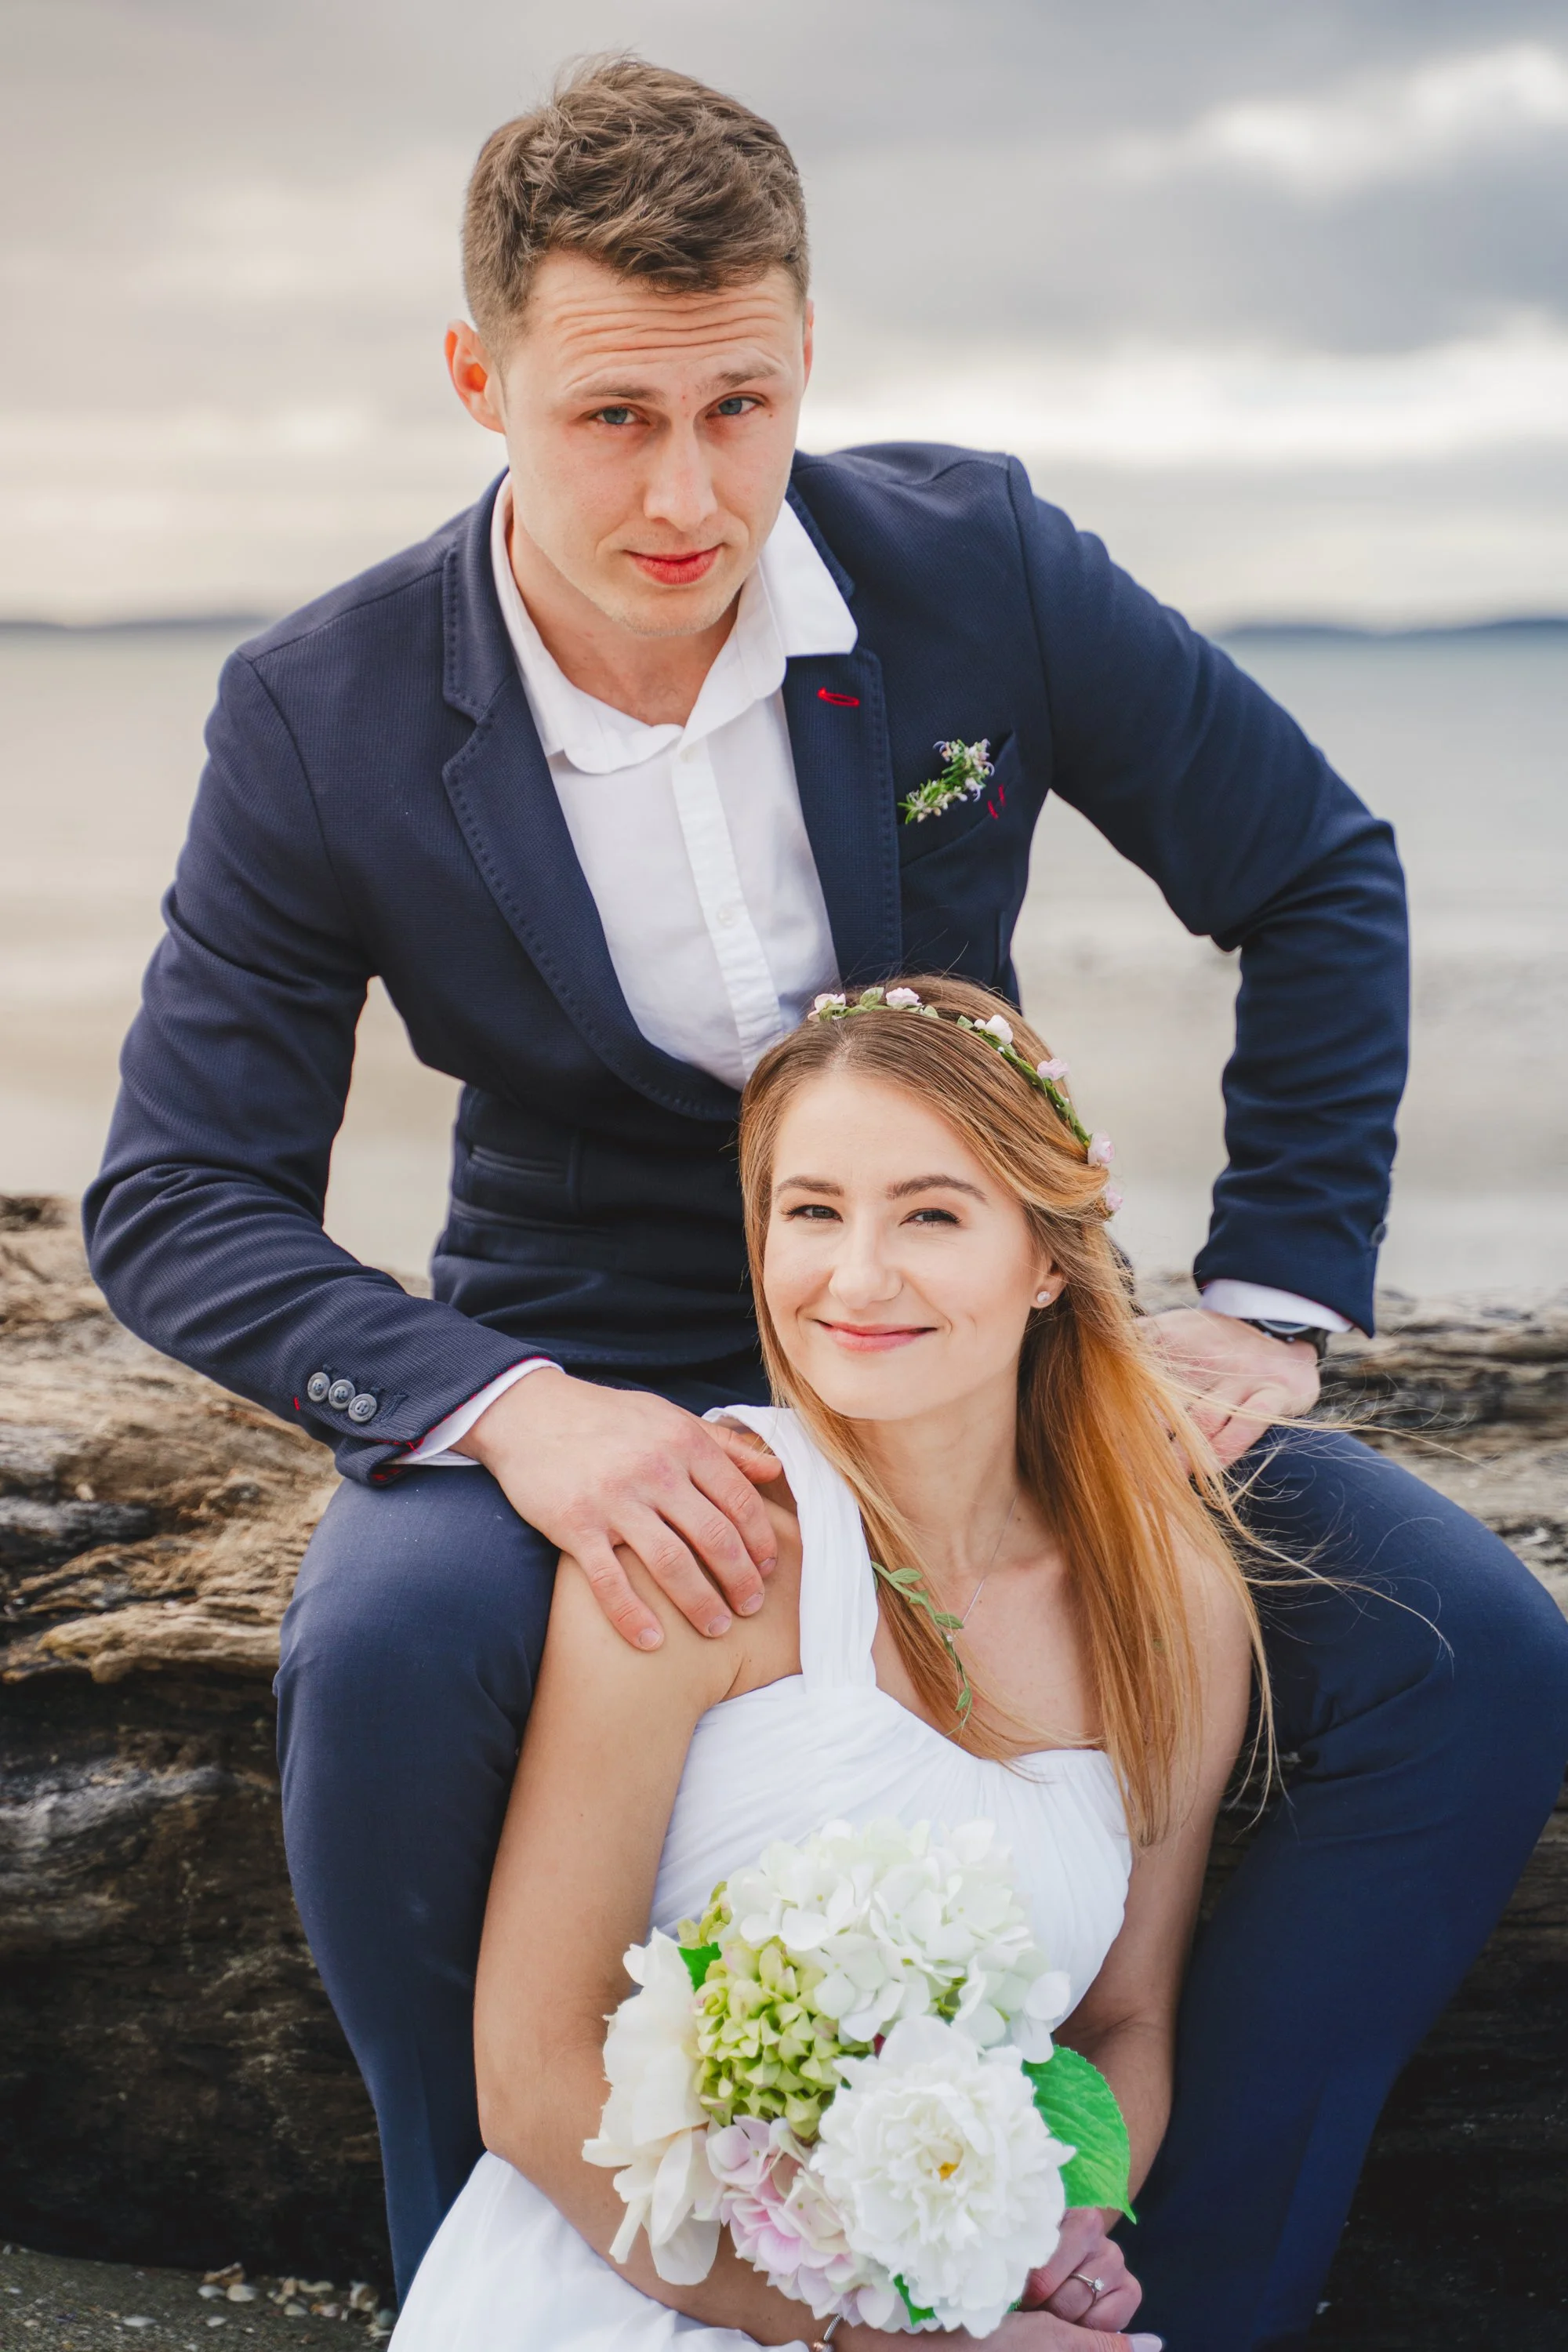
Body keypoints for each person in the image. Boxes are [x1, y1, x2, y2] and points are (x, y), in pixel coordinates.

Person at [81, 56, 1568, 2352]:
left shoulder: (974, 566)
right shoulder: (324, 708)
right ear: (480, 378)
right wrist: (509, 1414)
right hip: (587, 1337)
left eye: (742, 406)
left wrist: (1270, 1295)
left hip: (971, 1323)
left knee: (1476, 1648)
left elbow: (1317, 874)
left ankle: (1165, 2307)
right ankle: (482, 2276)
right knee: (387, 1658)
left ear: (806, 359)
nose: (691, 493)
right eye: (610, 417)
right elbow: (179, 1191)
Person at [392, 975, 1256, 2352]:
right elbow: (535, 2069)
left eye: (930, 1213)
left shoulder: (1176, 1610)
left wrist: (1060, 2225)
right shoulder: (707, 1539)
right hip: (630, 2290)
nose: (855, 1278)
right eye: (811, 1212)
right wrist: (873, 2341)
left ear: (1046, 1255)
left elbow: (1123, 2019)